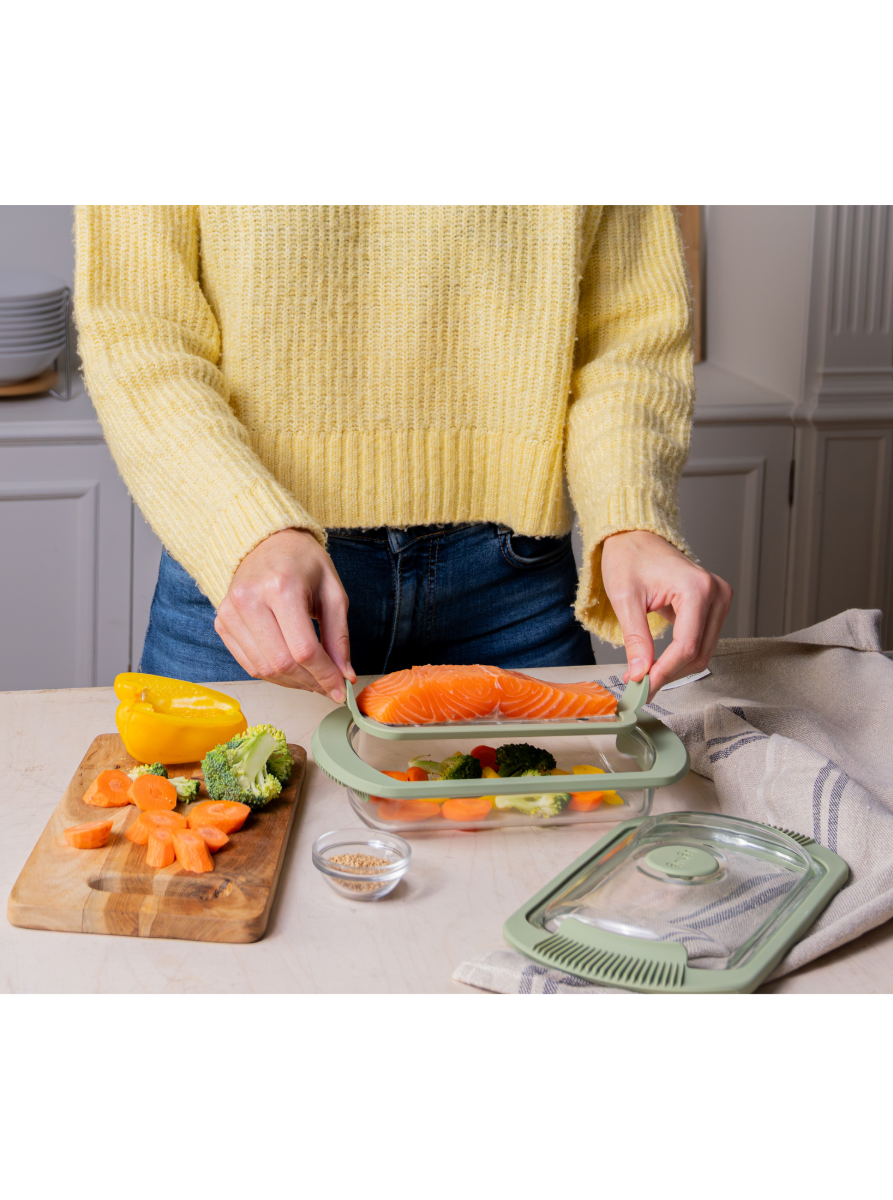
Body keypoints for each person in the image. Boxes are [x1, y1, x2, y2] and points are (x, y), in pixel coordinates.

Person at [75, 205, 731, 702]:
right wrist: (244, 530)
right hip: (254, 579)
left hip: (513, 589)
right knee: (205, 872)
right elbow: (139, 333)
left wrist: (630, 514)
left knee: (547, 877)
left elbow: (627, 336)